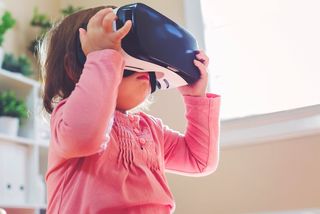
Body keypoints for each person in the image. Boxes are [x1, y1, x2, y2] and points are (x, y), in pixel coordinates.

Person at [40, 5, 221, 214]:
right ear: (76, 68)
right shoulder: (67, 117)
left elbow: (199, 160)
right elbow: (86, 134)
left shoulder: (151, 130)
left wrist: (195, 98)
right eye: (122, 60)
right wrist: (104, 57)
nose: (145, 70)